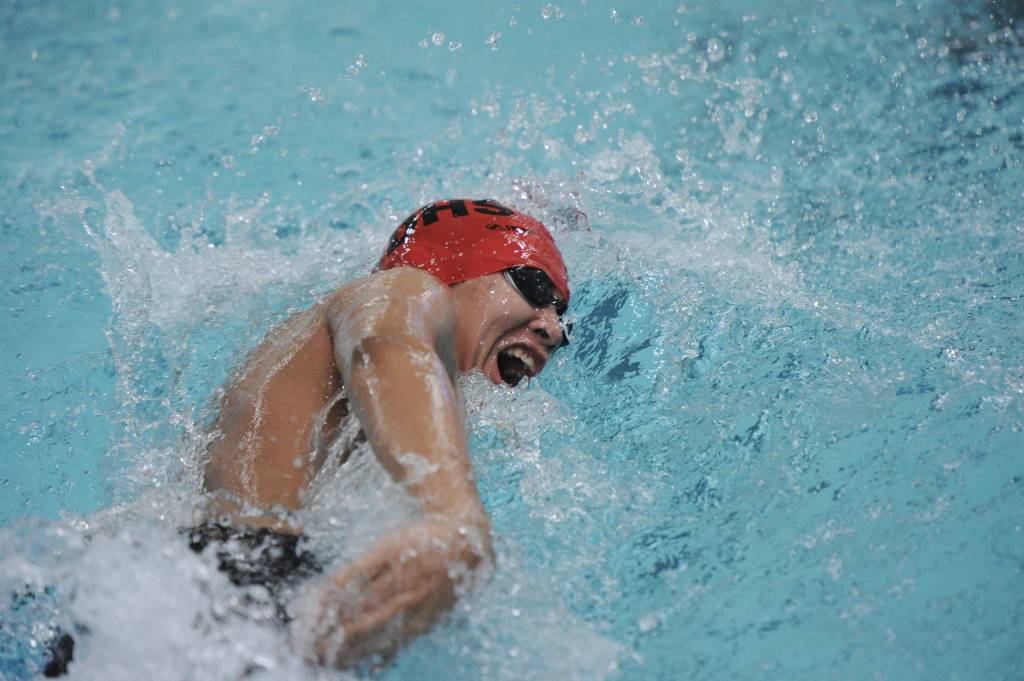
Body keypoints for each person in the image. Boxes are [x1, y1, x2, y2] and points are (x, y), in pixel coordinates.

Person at [196, 198, 572, 667]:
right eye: (534, 286)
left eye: (562, 316)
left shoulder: (392, 416)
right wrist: (449, 513)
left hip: (226, 583)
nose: (553, 330)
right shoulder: (405, 289)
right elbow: (383, 343)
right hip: (224, 581)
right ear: (453, 270)